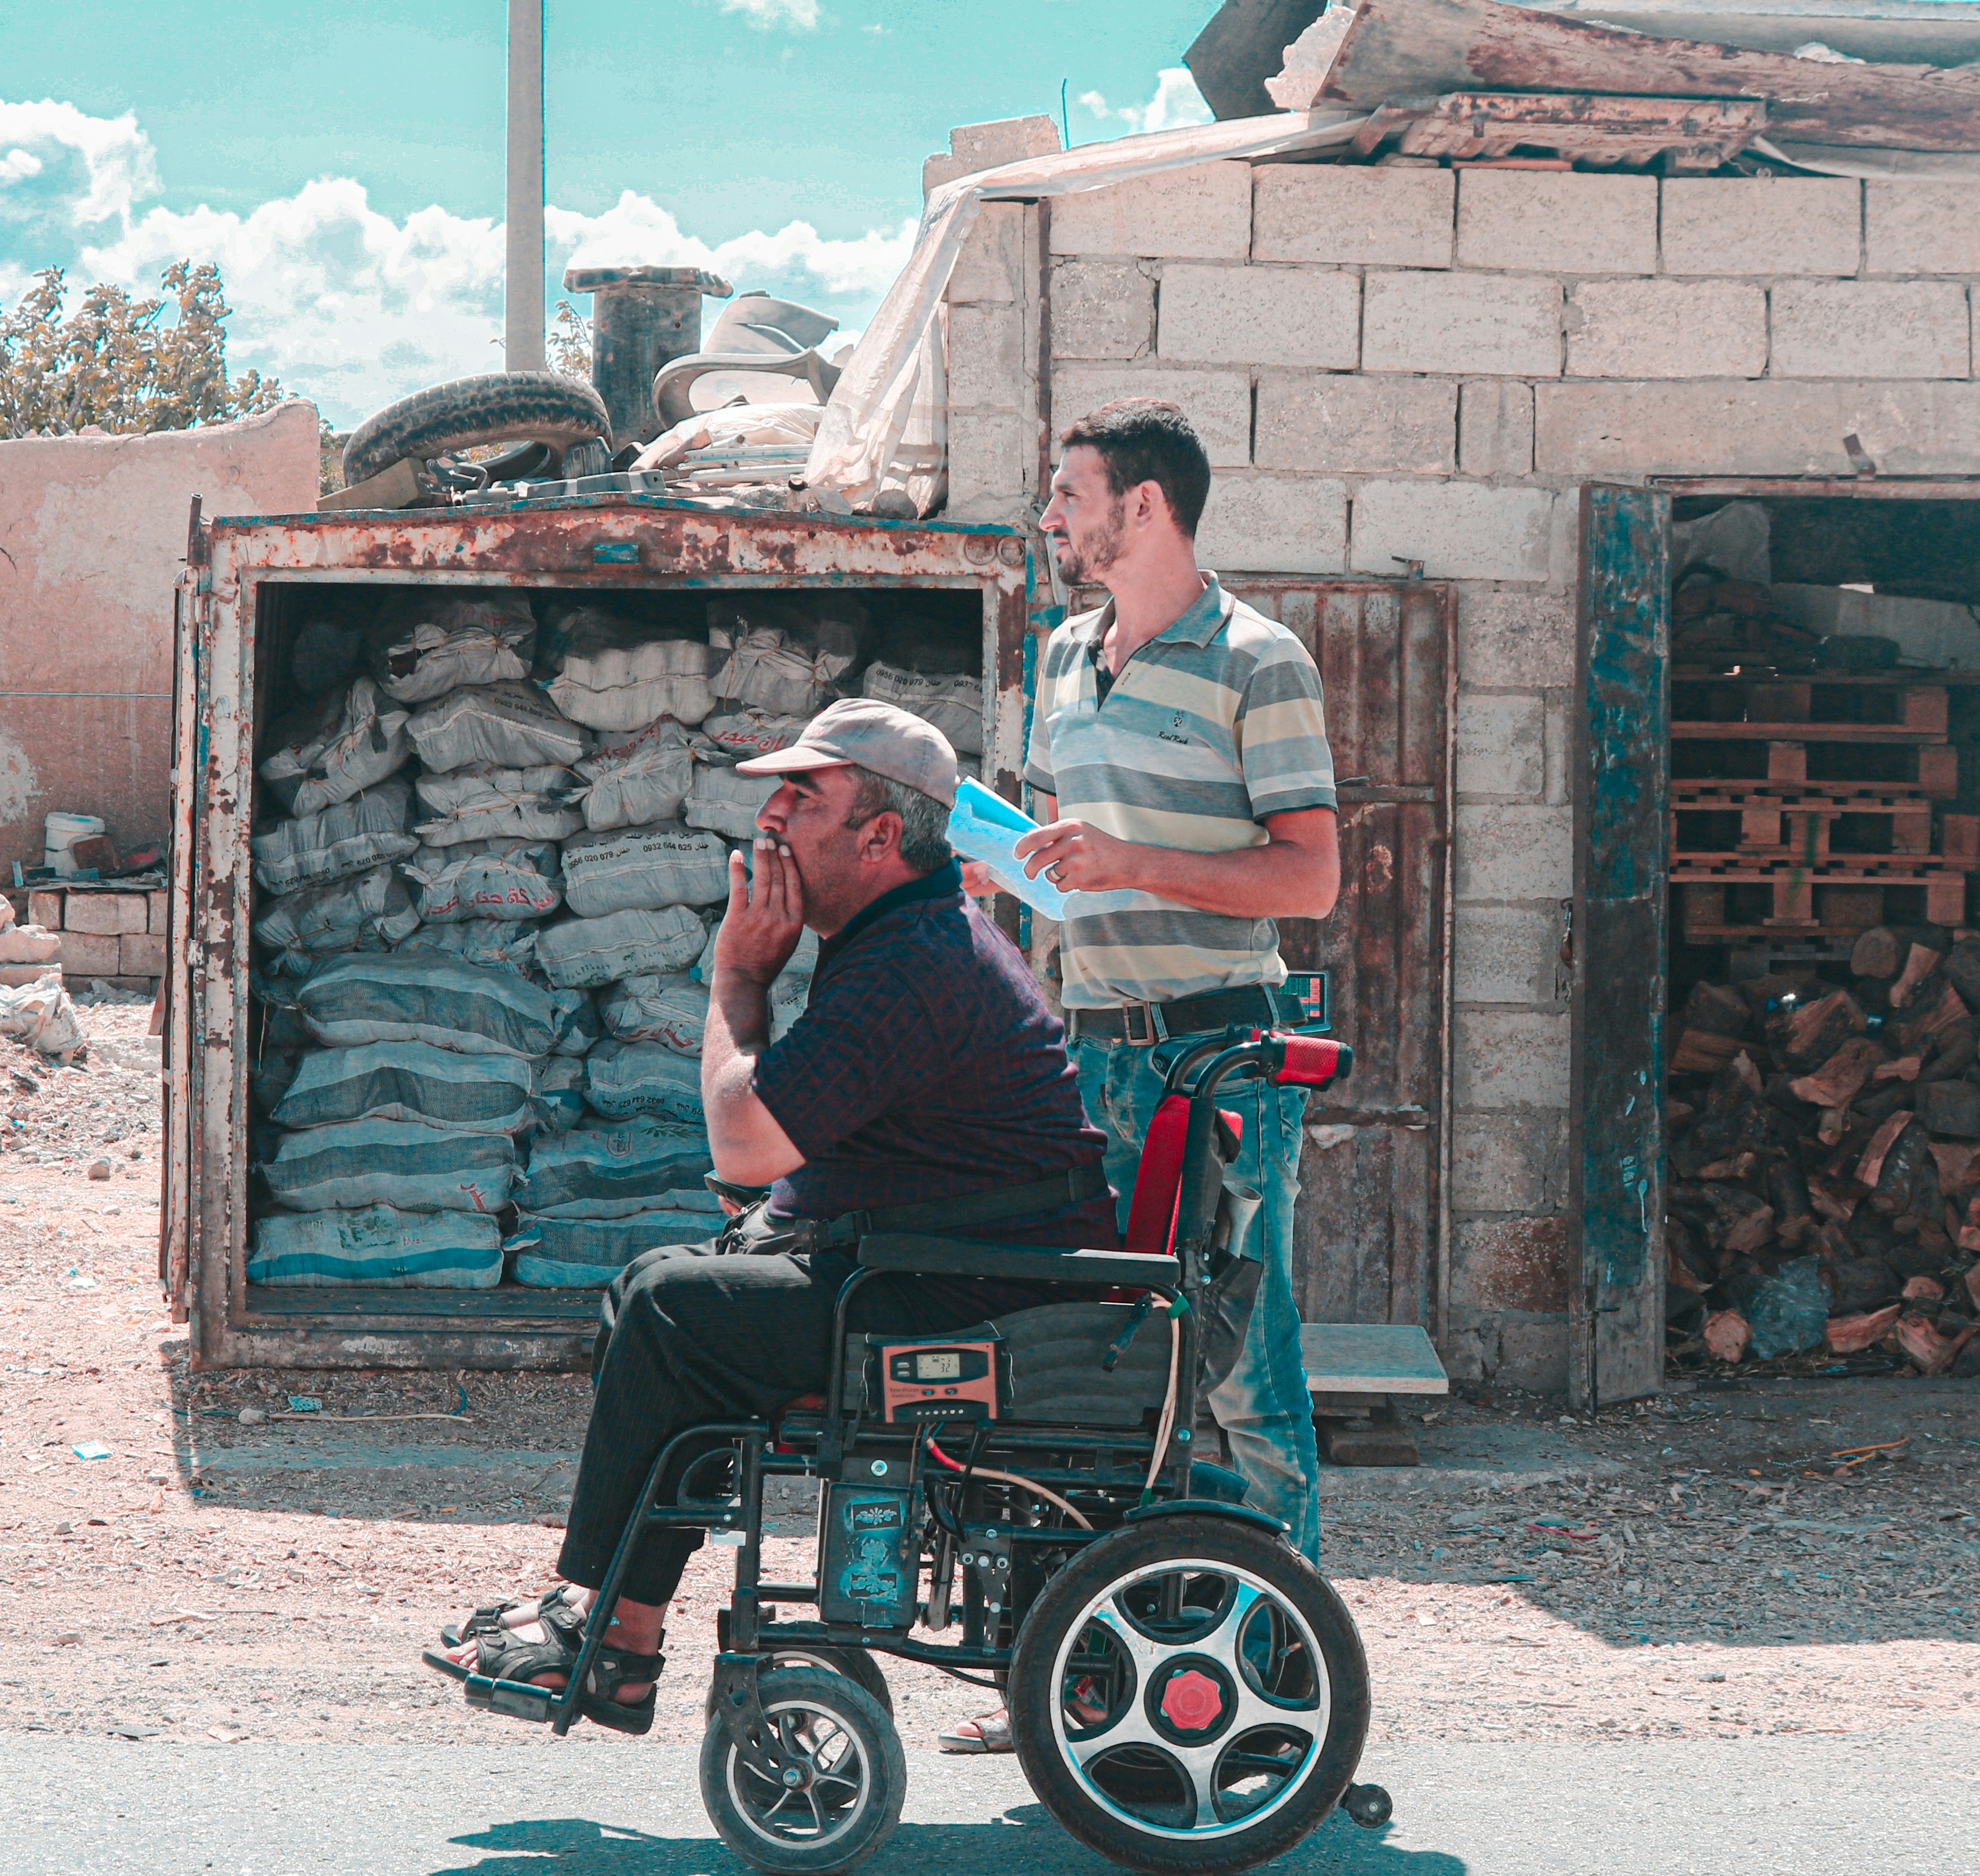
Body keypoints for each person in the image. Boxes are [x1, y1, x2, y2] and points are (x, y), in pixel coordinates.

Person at [427, 697, 1120, 1734]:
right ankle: (614, 1626)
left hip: (969, 1303)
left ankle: (611, 1627)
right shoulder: (901, 937)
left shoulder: (914, 961)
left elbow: (743, 1144)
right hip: (932, 1269)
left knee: (672, 1306)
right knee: (660, 1295)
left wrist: (740, 975)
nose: (773, 818)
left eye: (803, 796)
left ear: (881, 836)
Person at [941, 396, 1341, 1755]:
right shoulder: (1064, 654)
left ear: (1147, 507)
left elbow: (1311, 874)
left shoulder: (1259, 659)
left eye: (1071, 493)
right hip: (1092, 1051)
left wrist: (1130, 861)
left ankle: (1287, 1694)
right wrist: (999, 865)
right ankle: (1081, 1679)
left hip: (1219, 1052)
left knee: (1245, 1374)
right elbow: (1070, 863)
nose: (1051, 516)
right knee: (1100, 1367)